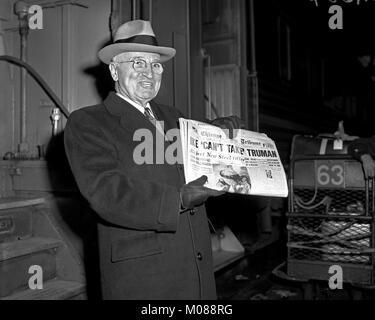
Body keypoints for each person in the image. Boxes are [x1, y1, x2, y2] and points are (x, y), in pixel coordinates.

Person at [64, 20, 240, 300]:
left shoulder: (174, 117)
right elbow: (105, 192)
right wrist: (177, 200)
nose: (149, 73)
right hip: (145, 280)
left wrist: (216, 132)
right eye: (137, 63)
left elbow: (198, 155)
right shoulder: (88, 123)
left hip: (195, 272)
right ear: (113, 70)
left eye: (155, 65)